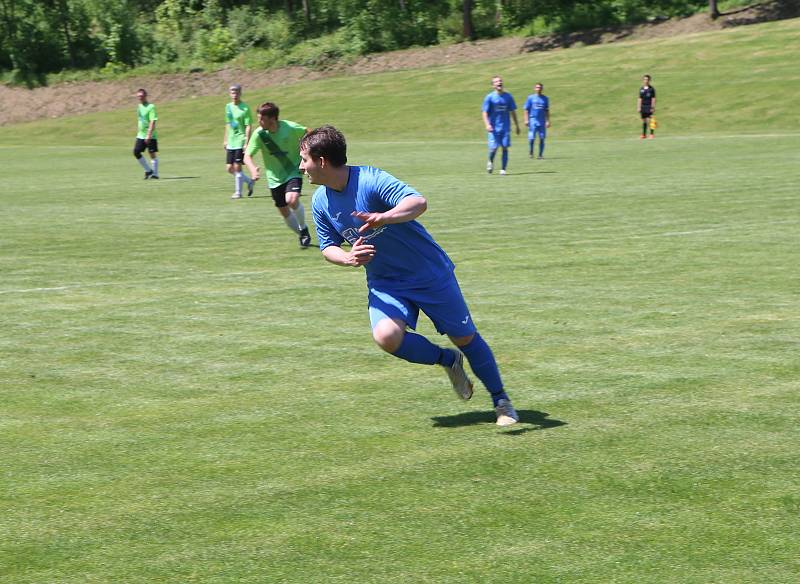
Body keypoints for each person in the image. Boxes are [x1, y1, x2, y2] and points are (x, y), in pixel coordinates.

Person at [301, 125, 519, 426]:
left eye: (304, 159)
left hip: (428, 272)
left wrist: (384, 216)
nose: (301, 167)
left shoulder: (370, 179)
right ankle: (448, 360)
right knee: (386, 337)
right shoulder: (319, 201)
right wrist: (349, 258)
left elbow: (418, 202)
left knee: (465, 337)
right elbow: (327, 247)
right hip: (385, 282)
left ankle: (501, 401)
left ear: (322, 161)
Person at [243, 102, 312, 247]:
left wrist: (306, 157)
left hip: (292, 171)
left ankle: (303, 229)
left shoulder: (290, 128)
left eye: (261, 119)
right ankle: (302, 232)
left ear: (272, 119)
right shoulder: (259, 134)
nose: (259, 122)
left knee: (292, 199)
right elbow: (247, 156)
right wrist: (253, 170)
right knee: (284, 211)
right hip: (274, 179)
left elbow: (309, 133)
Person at [481, 75, 519, 175]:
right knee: (493, 148)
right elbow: (484, 112)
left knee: (505, 147)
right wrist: (487, 124)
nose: (499, 83)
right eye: (496, 82)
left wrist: (517, 125)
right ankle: (490, 161)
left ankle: (503, 169)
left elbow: (513, 112)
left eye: (500, 81)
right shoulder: (489, 97)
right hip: (493, 128)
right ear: (493, 85)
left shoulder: (508, 97)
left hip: (505, 127)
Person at [223, 84, 256, 199]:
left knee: (237, 167)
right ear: (229, 94)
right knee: (229, 168)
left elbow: (248, 126)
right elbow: (228, 124)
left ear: (240, 93)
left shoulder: (245, 108)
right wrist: (225, 139)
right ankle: (249, 181)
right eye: (232, 92)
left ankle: (238, 192)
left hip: (240, 141)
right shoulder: (228, 107)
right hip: (231, 142)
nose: (234, 94)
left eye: (236, 92)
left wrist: (246, 142)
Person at [133, 88, 159, 179]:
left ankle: (155, 174)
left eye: (142, 96)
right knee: (136, 152)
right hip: (141, 134)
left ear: (145, 96)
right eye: (138, 96)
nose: (140, 98)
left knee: (151, 153)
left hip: (150, 134)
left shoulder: (151, 107)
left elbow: (152, 121)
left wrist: (149, 134)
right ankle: (148, 170)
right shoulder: (139, 107)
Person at [523, 82, 551, 159]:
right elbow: (526, 109)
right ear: (534, 88)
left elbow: (547, 110)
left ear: (542, 89)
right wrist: (526, 120)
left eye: (540, 87)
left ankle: (540, 155)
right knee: (532, 138)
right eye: (537, 87)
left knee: (542, 138)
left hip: (542, 120)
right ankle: (531, 151)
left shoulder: (545, 99)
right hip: (533, 119)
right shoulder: (530, 98)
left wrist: (548, 121)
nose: (539, 89)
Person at [638, 74, 656, 139]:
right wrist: (639, 107)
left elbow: (653, 98)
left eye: (647, 79)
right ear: (643, 80)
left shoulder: (651, 89)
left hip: (649, 106)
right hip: (643, 106)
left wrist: (652, 107)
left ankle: (651, 134)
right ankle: (644, 135)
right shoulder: (641, 89)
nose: (646, 81)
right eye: (645, 79)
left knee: (651, 120)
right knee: (644, 121)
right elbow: (640, 98)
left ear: (649, 80)